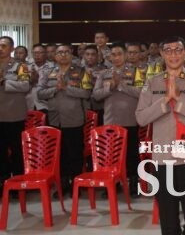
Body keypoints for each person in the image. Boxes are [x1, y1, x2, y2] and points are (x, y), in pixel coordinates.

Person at [136, 36, 185, 235]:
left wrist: (179, 101)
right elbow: (141, 117)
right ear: (162, 54)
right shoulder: (152, 82)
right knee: (168, 220)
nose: (173, 55)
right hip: (163, 159)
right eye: (168, 50)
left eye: (178, 50)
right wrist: (164, 101)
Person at [38, 43, 92, 196]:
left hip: (74, 118)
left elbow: (86, 93)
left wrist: (66, 88)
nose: (63, 55)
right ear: (55, 56)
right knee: (59, 154)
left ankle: (76, 184)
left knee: (75, 153)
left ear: (71, 54)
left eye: (66, 52)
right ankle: (62, 183)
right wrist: (56, 88)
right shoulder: (48, 72)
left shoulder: (81, 71)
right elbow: (40, 93)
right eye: (60, 52)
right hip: (55, 119)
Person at [92, 43, 144, 197]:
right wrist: (110, 87)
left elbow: (142, 92)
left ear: (125, 55)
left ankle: (133, 183)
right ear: (109, 57)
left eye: (119, 54)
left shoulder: (136, 71)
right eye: (113, 55)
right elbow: (96, 95)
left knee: (132, 155)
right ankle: (113, 183)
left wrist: (120, 85)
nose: (116, 57)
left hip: (130, 120)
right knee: (111, 155)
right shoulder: (104, 74)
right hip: (110, 120)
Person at [0, 36, 32, 191]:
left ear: (12, 48)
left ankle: (18, 183)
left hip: (14, 115)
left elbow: (25, 86)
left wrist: (4, 82)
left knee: (17, 151)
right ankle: (3, 182)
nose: (0, 49)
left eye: (4, 46)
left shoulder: (20, 66)